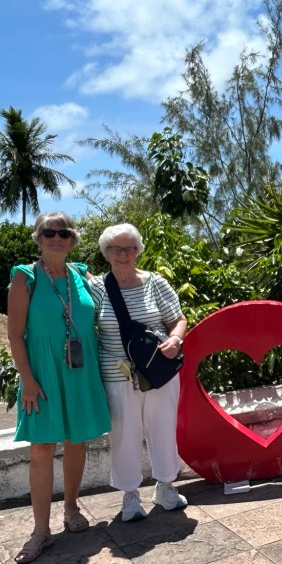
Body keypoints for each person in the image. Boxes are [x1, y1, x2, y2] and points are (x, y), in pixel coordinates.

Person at [8, 213, 111, 564]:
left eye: (63, 233)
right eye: (49, 232)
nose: (56, 238)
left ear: (72, 239)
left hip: (79, 370)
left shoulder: (81, 275)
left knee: (77, 442)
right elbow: (14, 334)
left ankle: (70, 510)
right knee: (41, 449)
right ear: (39, 238)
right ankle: (40, 531)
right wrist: (28, 380)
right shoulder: (25, 277)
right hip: (43, 372)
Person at [89, 223, 189, 521]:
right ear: (106, 252)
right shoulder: (96, 289)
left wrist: (176, 339)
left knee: (163, 428)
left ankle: (166, 486)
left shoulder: (155, 282)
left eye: (130, 248)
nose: (124, 254)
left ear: (138, 251)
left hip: (158, 369)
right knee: (123, 435)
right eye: (117, 249)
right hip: (117, 375)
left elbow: (177, 319)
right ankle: (130, 496)